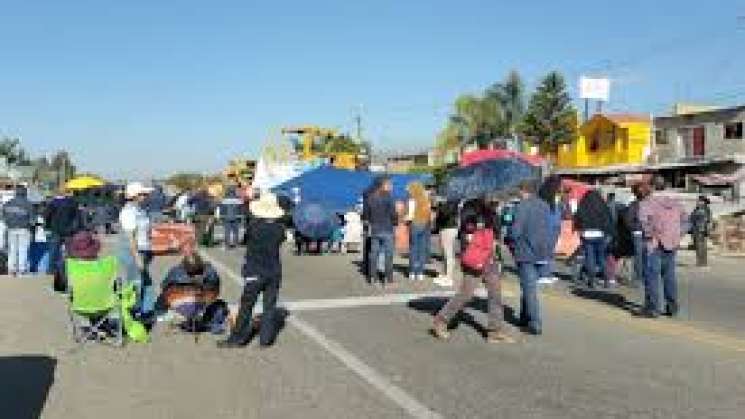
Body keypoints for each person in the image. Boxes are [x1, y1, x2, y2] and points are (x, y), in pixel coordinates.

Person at [431, 198, 514, 343]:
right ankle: (441, 320)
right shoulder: (471, 206)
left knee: (495, 294)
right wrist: (478, 224)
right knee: (466, 294)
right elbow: (466, 229)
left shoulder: (492, 210)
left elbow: (497, 233)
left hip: (491, 258)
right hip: (475, 258)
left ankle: (494, 330)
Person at [219, 192, 286, 348]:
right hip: (274, 270)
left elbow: (245, 241)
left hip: (255, 270)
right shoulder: (279, 228)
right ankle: (266, 339)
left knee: (246, 306)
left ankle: (237, 339)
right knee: (269, 306)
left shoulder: (254, 227)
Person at [638, 177, 687, 318]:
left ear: (652, 187)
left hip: (655, 244)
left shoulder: (647, 203)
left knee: (652, 276)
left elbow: (644, 223)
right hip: (672, 243)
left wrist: (652, 235)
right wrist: (678, 234)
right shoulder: (676, 203)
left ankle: (652, 308)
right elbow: (686, 221)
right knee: (669, 276)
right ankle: (672, 307)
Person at [511, 180, 553, 336]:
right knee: (528, 286)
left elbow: (516, 231)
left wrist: (509, 236)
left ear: (523, 191)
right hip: (543, 251)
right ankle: (524, 317)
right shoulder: (545, 205)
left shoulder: (522, 206)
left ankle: (535, 322)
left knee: (529, 288)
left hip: (526, 251)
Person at [118, 182, 155, 319]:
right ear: (135, 196)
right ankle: (132, 313)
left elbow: (145, 230)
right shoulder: (128, 212)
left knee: (145, 281)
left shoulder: (140, 210)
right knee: (135, 283)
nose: (145, 196)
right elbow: (130, 237)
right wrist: (137, 257)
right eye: (142, 194)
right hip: (133, 251)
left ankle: (146, 310)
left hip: (142, 250)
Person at [574, 189, 614, 288]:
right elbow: (608, 221)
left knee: (589, 258)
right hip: (600, 234)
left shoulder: (583, 206)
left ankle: (591, 280)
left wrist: (579, 230)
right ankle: (606, 280)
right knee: (601, 258)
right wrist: (608, 233)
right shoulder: (602, 206)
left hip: (587, 235)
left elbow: (577, 219)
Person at [45, 188, 83, 289]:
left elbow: (47, 216)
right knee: (70, 251)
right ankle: (71, 268)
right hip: (69, 231)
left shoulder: (53, 203)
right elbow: (78, 217)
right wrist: (77, 228)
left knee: (53, 251)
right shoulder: (73, 203)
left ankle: (51, 270)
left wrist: (47, 227)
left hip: (56, 230)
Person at [363, 176, 397, 286]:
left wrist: (370, 223)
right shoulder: (389, 198)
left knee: (374, 254)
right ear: (383, 185)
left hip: (375, 230)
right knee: (388, 254)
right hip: (387, 229)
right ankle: (388, 278)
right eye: (389, 184)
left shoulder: (370, 198)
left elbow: (366, 215)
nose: (391, 186)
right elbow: (393, 214)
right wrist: (395, 222)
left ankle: (372, 277)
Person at [2, 186, 35, 276]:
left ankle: (11, 269)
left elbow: (3, 218)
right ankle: (21, 269)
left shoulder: (8, 203)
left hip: (11, 229)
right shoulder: (29, 204)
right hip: (24, 229)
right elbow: (32, 221)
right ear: (25, 193)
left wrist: (9, 223)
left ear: (15, 193)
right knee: (22, 249)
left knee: (12, 249)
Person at [537, 175, 562, 286]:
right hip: (547, 225)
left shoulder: (554, 194)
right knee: (545, 251)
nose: (560, 186)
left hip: (554, 225)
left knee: (550, 251)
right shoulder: (545, 194)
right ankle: (543, 274)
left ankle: (548, 273)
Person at [406, 181, 431, 281]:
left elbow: (410, 215)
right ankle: (420, 272)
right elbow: (429, 213)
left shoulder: (412, 200)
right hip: (425, 224)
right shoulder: (425, 199)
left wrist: (405, 219)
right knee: (422, 249)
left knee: (413, 248)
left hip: (415, 224)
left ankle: (412, 272)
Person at [434, 199, 459, 288]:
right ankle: (445, 274)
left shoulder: (453, 201)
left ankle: (449, 277)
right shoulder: (448, 201)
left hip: (449, 227)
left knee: (448, 253)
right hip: (444, 227)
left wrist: (440, 205)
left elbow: (446, 213)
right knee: (444, 252)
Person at [624, 184, 646, 285]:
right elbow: (628, 220)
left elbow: (628, 220)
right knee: (642, 255)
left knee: (640, 256)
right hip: (641, 233)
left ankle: (640, 277)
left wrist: (633, 228)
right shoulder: (635, 205)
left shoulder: (633, 205)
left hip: (639, 233)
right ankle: (641, 276)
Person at [690, 195, 712, 267]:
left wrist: (707, 229)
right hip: (696, 229)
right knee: (698, 246)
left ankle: (702, 262)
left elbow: (708, 221)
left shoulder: (705, 210)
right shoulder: (697, 209)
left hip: (701, 229)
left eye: (700, 201)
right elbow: (692, 218)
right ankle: (700, 261)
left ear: (703, 202)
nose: (698, 202)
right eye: (698, 201)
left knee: (701, 246)